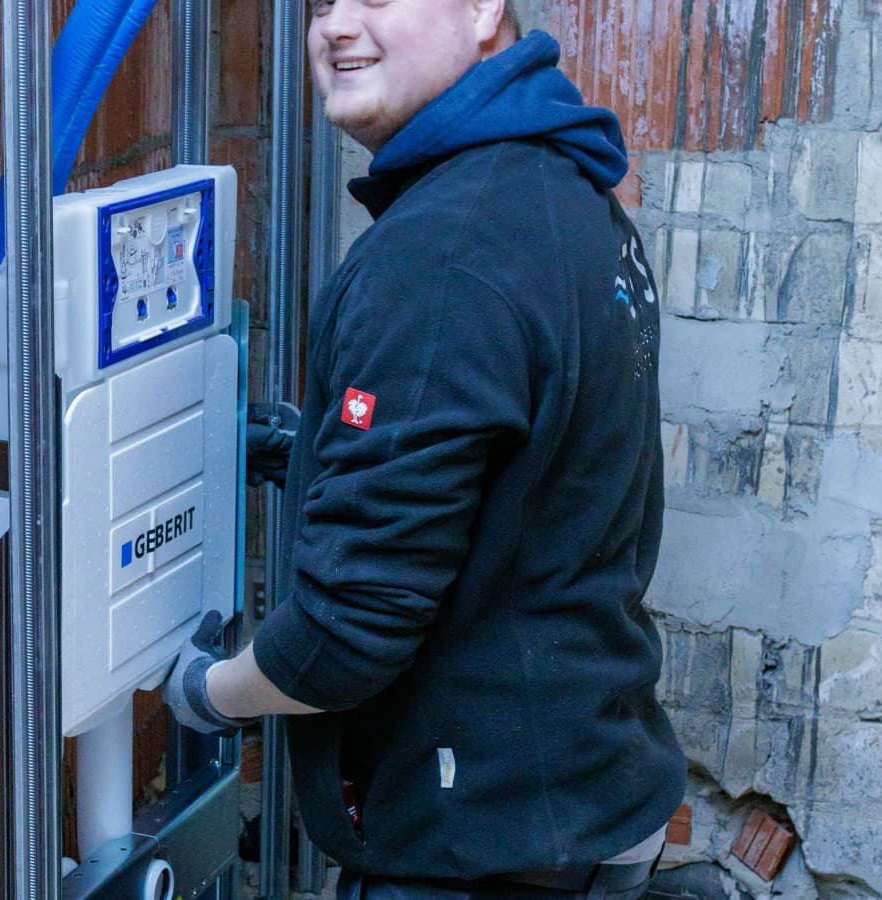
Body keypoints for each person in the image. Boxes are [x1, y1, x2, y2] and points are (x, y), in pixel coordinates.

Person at [163, 1, 686, 896]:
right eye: (325, 2)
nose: (336, 26)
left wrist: (205, 694)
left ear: (485, 8)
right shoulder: (568, 191)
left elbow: (341, 638)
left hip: (479, 851)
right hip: (592, 793)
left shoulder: (441, 254)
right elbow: (539, 474)